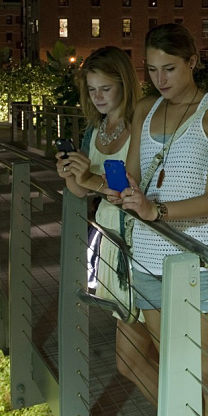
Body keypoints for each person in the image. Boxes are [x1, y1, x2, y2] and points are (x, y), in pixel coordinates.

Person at [111, 24, 208, 416]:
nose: (160, 79)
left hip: (204, 260)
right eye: (151, 70)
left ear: (193, 62)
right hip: (149, 260)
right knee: (175, 368)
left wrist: (156, 211)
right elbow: (132, 176)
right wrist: (117, 190)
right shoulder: (144, 109)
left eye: (169, 68)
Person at [54, 46, 141, 314]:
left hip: (139, 235)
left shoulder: (141, 124)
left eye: (105, 88)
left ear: (124, 84)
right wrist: (70, 172)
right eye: (92, 90)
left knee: (140, 324)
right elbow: (80, 191)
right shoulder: (95, 129)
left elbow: (131, 188)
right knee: (125, 323)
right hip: (108, 234)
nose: (98, 97)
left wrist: (89, 177)